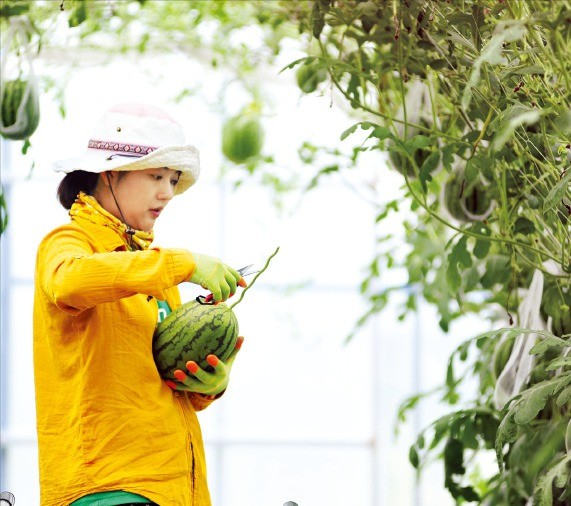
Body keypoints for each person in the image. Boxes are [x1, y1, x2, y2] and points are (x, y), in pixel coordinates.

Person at [33, 103, 246, 506]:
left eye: (172, 179)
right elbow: (68, 281)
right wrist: (182, 263)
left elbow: (162, 379)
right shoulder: (68, 242)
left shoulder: (154, 271)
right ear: (110, 174)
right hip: (107, 488)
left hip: (172, 488)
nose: (167, 192)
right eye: (155, 176)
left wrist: (208, 385)